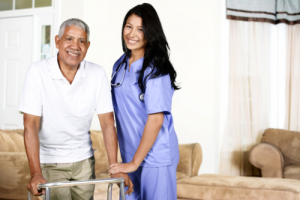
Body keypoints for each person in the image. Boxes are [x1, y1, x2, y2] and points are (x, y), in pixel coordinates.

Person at [19, 18, 133, 200]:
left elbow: (107, 122)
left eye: (81, 41)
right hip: (51, 160)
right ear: (57, 41)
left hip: (84, 161)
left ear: (87, 46)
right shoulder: (38, 72)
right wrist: (35, 173)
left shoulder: (97, 73)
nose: (75, 46)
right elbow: (30, 124)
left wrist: (114, 167)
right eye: (69, 39)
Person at [108, 3, 180, 200]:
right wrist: (129, 162)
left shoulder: (156, 69)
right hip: (130, 155)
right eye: (129, 26)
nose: (132, 33)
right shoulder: (120, 64)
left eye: (140, 29)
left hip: (155, 157)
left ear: (150, 33)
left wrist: (134, 163)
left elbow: (156, 120)